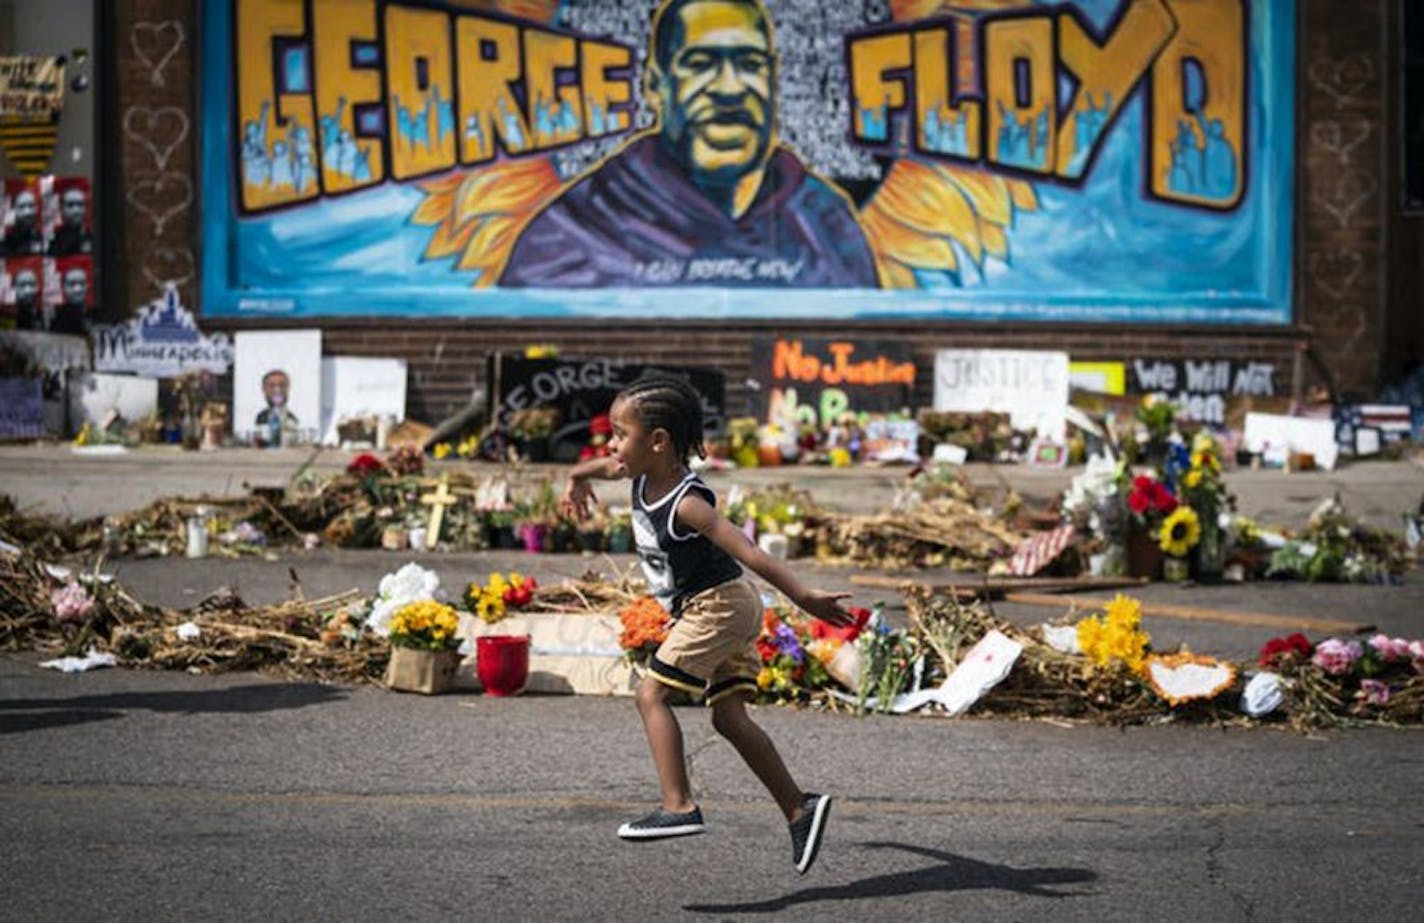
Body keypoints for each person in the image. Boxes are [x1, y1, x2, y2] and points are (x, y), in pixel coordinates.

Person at [560, 376, 851, 874]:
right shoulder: (640, 470)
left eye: (619, 434)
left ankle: (679, 807)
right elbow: (605, 467)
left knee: (650, 695)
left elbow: (749, 549)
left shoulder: (687, 503)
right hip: (721, 604)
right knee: (728, 718)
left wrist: (804, 597)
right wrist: (576, 475)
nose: (611, 446)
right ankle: (800, 809)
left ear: (658, 442)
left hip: (717, 607)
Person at [500, 0, 878, 288]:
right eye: (699, 63)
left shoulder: (826, 222)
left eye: (750, 63)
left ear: (774, 81)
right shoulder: (574, 231)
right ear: (654, 85)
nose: (730, 89)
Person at [254, 369, 299, 446]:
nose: (277, 390)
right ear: (264, 389)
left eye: (282, 385)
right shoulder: (261, 417)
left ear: (288, 388)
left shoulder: (292, 418)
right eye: (272, 386)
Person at [49, 185, 94, 256]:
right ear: (61, 209)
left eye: (80, 205)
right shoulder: (56, 240)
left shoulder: (94, 238)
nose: (76, 211)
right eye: (70, 205)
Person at [49, 265, 89, 335]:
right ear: (63, 288)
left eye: (81, 283)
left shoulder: (93, 314)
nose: (77, 289)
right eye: (72, 284)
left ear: (87, 286)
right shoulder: (60, 318)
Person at [4, 188, 43, 256]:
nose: (27, 212)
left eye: (31, 206)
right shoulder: (8, 242)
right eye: (22, 207)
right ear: (14, 210)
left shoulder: (40, 237)